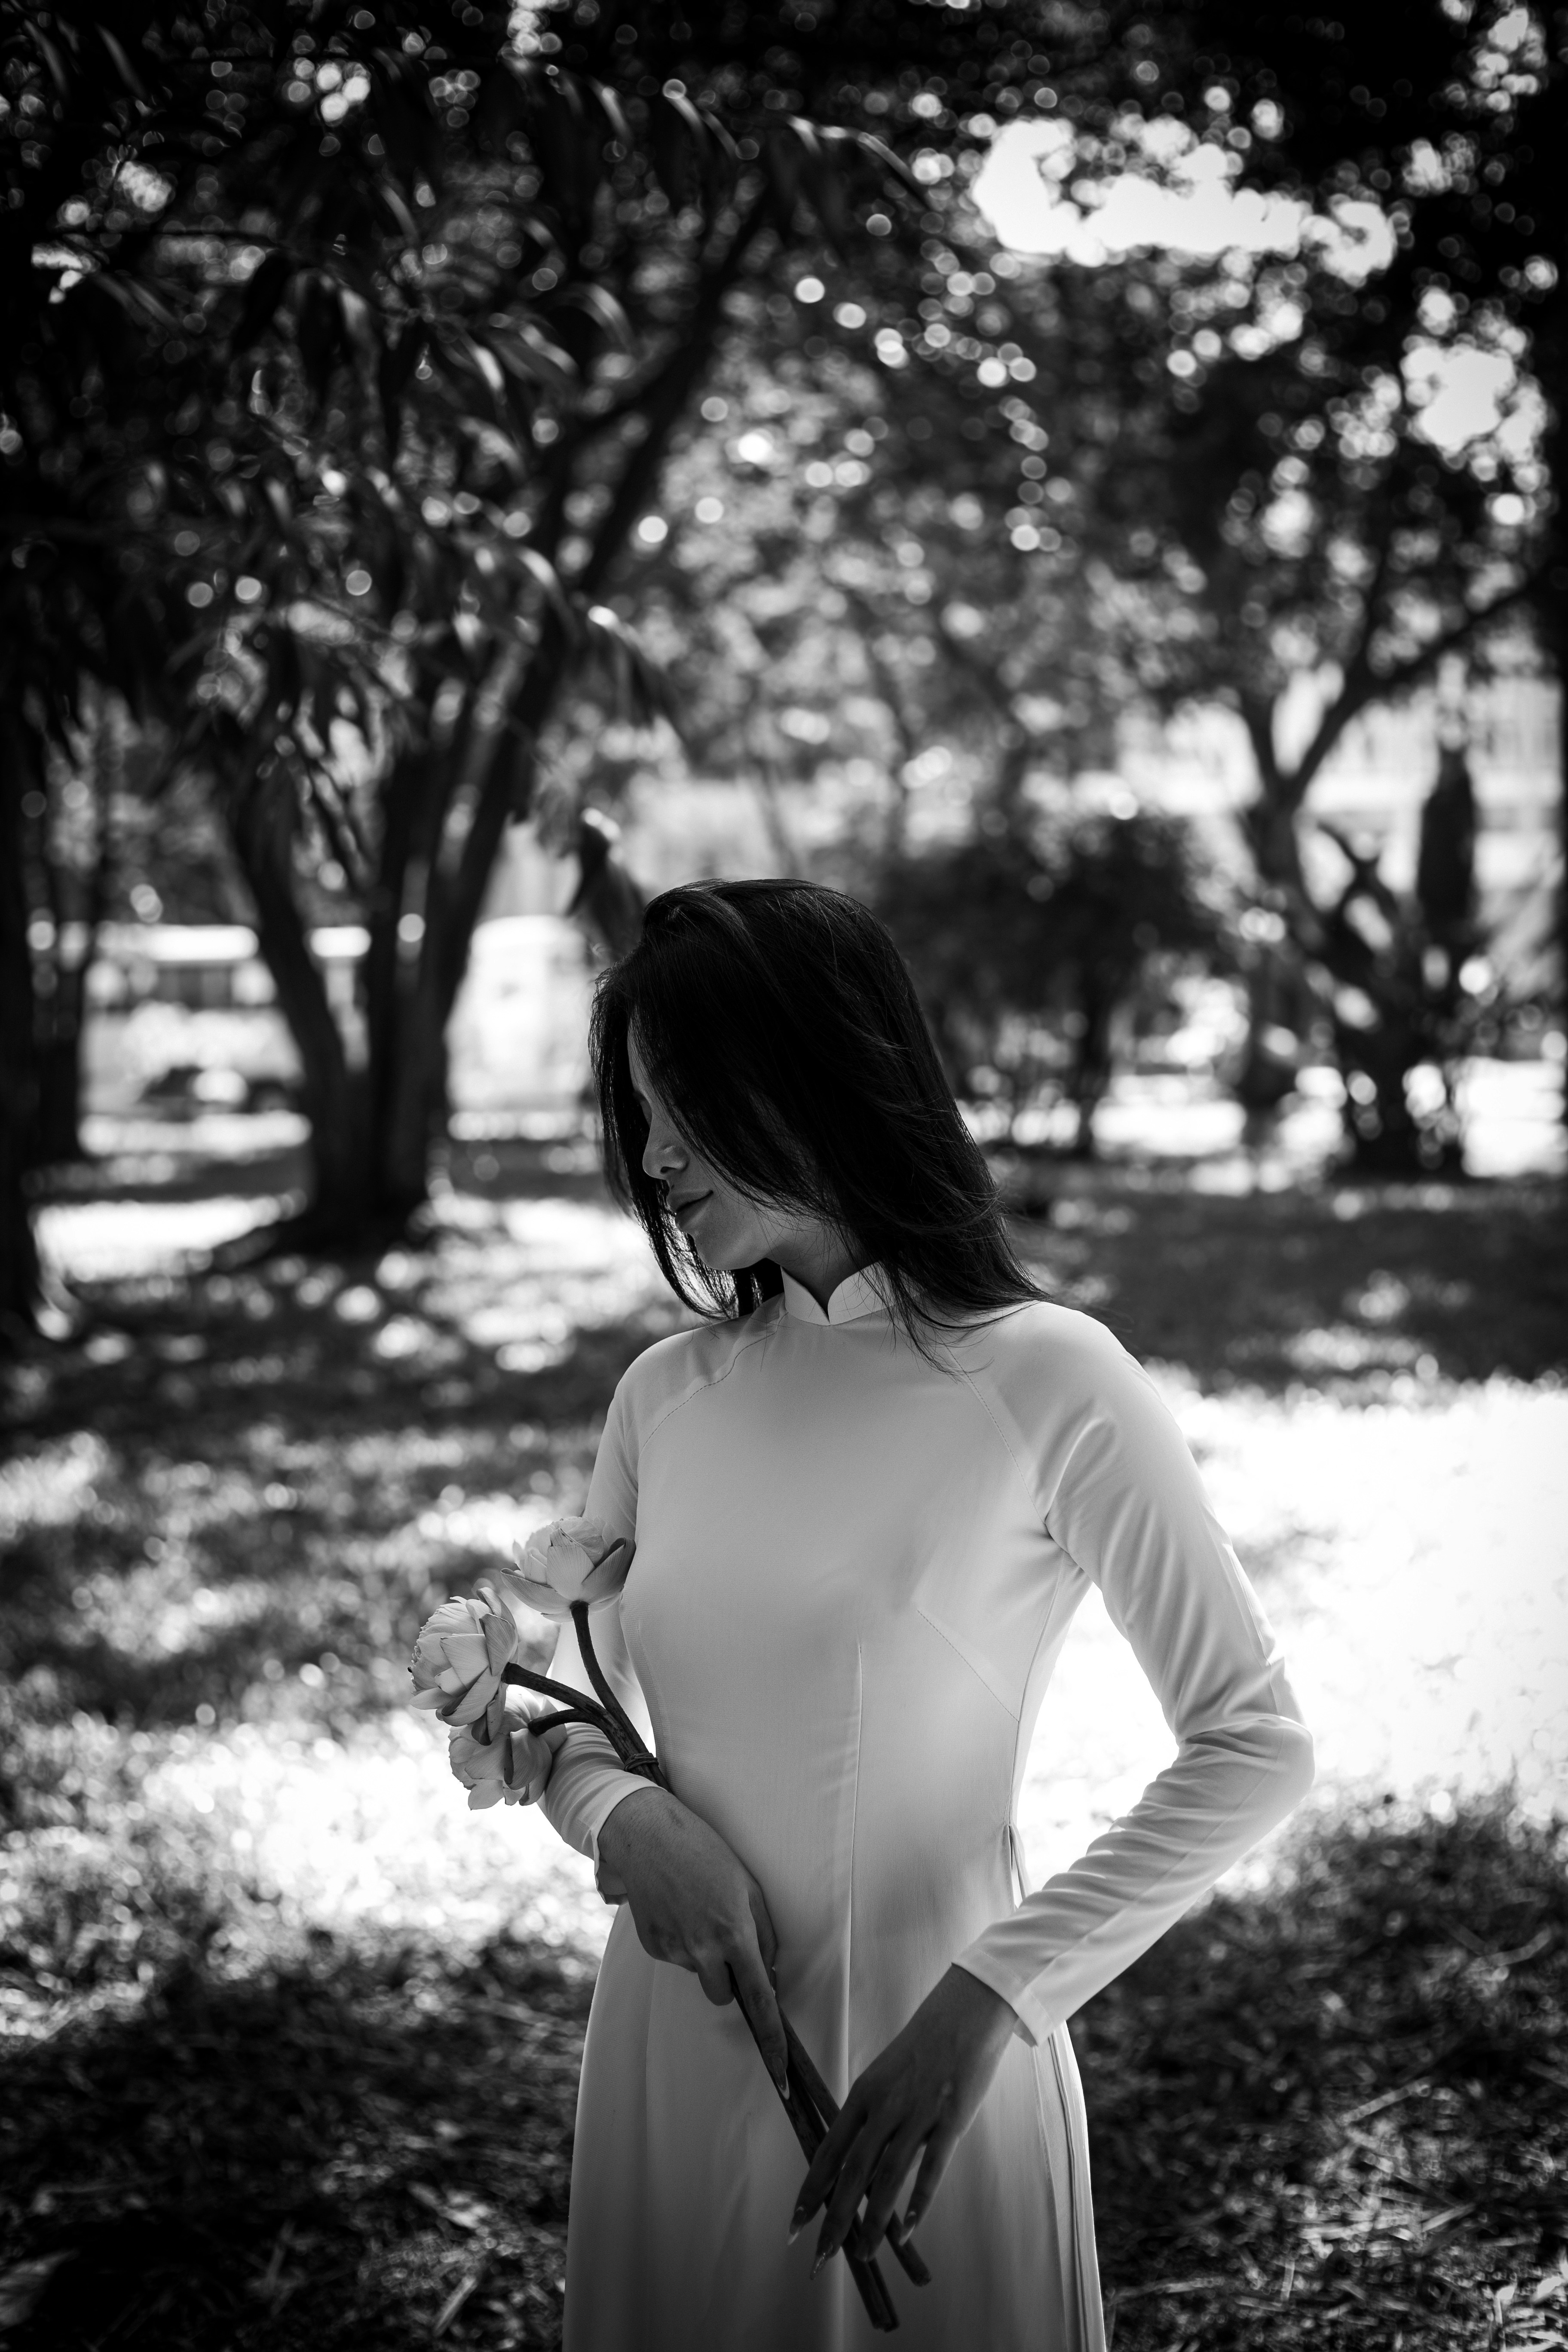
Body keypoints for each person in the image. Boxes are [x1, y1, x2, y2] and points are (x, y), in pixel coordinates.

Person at [536, 877, 1314, 2350]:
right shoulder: (665, 1397)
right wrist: (623, 1823)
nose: (652, 1156)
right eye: (638, 1111)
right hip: (665, 2051)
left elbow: (1254, 1744)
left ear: (814, 1070)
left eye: (681, 1102)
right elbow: (578, 1716)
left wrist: (992, 2004)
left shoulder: (1050, 1378)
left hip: (923, 2063)